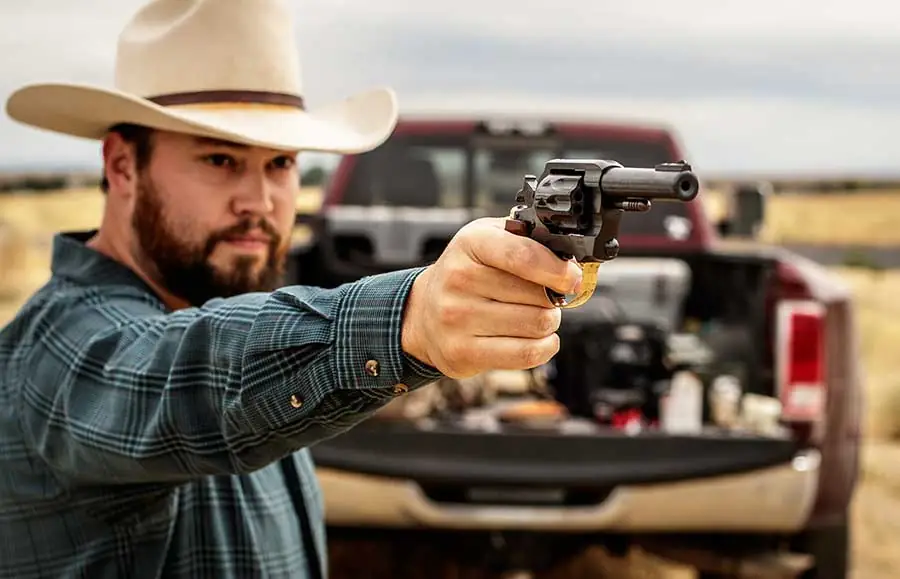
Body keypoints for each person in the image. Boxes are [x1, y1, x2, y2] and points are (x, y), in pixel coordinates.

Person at [0, 0, 583, 577]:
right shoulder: (59, 350)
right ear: (122, 165)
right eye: (220, 159)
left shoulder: (237, 321)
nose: (258, 202)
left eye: (280, 162)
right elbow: (180, 370)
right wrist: (408, 321)